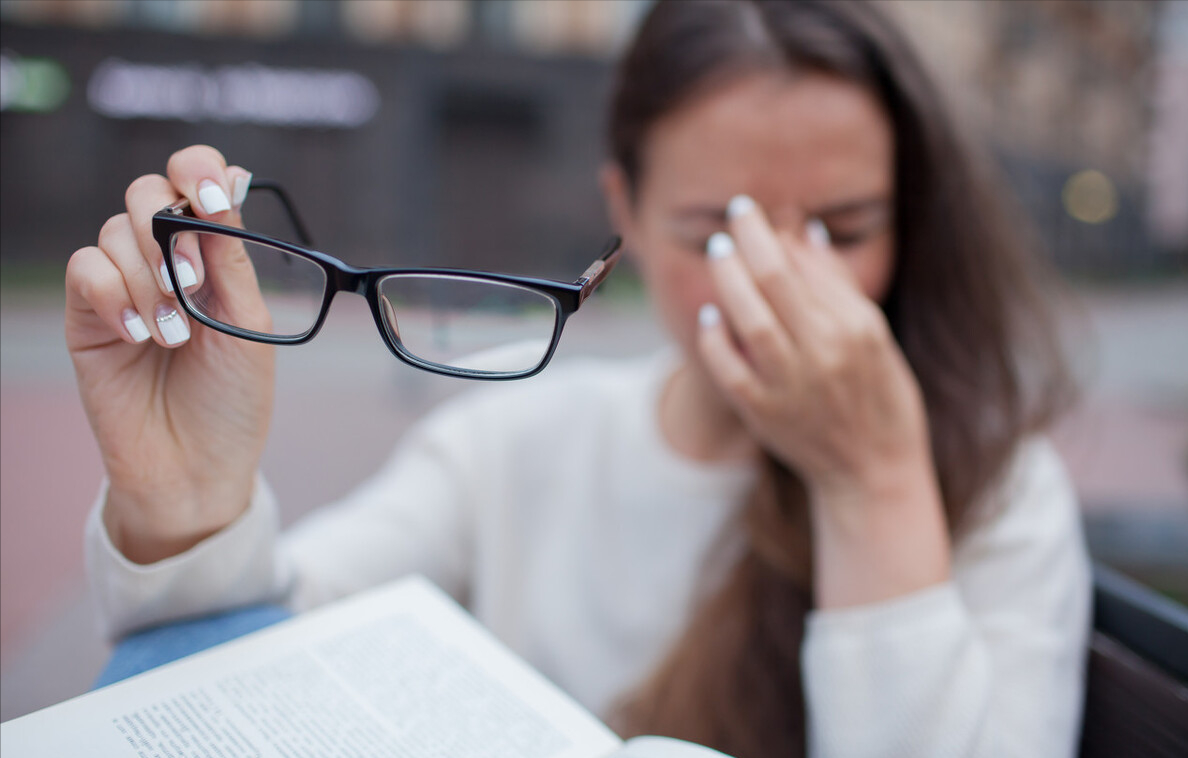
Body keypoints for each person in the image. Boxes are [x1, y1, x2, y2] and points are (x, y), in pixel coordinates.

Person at [66, 1, 1090, 756]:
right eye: (715, 230)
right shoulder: (515, 436)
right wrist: (190, 498)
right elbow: (263, 665)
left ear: (910, 224)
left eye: (845, 228)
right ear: (627, 217)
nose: (786, 279)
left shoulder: (993, 487)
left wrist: (875, 481)